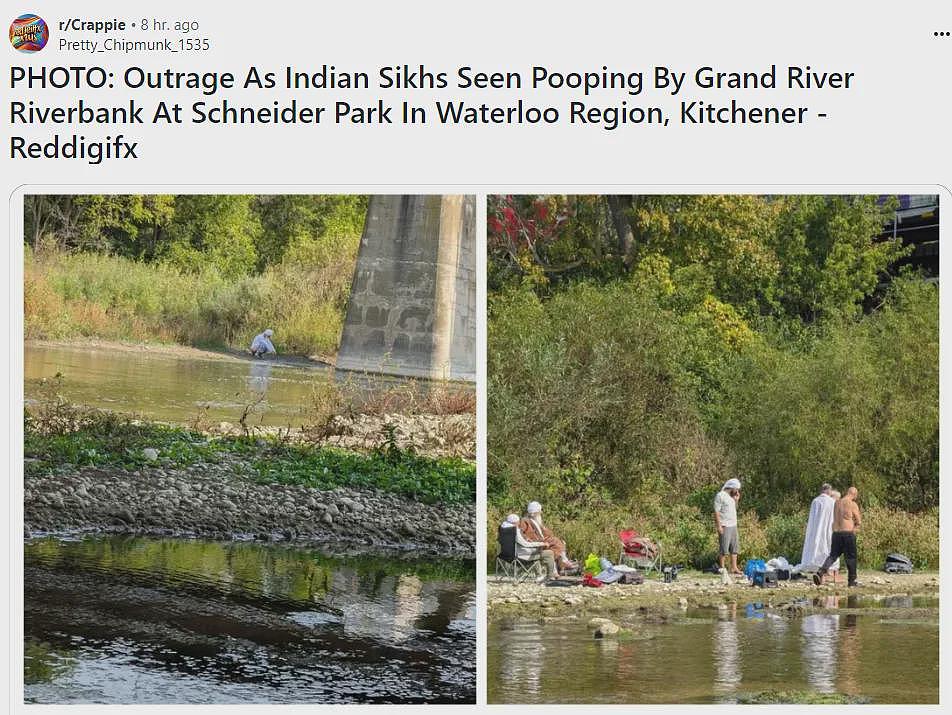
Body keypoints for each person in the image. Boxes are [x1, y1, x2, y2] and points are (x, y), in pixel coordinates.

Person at [814, 486, 862, 587]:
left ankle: (820, 572)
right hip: (848, 533)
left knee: (833, 556)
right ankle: (852, 581)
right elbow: (858, 521)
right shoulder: (852, 504)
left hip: (836, 533)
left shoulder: (837, 503)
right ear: (854, 494)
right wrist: (855, 529)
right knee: (851, 557)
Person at [519, 502, 578, 575]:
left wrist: (544, 529)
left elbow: (549, 534)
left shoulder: (537, 522)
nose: (541, 513)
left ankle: (557, 569)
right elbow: (521, 533)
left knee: (557, 545)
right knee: (555, 541)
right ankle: (563, 563)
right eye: (539, 512)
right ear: (535, 512)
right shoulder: (525, 521)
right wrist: (528, 540)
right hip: (535, 543)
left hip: (543, 542)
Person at [796, 483, 839, 582]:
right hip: (828, 528)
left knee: (816, 546)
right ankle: (827, 571)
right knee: (828, 547)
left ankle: (818, 570)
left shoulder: (815, 501)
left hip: (815, 529)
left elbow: (812, 518)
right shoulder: (832, 502)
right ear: (829, 491)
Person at [505, 513, 556, 582]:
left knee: (536, 552)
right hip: (520, 556)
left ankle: (539, 575)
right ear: (516, 522)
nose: (519, 523)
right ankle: (550, 576)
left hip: (507, 555)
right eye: (518, 522)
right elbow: (525, 544)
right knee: (549, 553)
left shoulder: (503, 529)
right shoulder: (514, 530)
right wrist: (541, 544)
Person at [714, 478, 743, 576]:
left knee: (734, 548)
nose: (737, 492)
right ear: (732, 488)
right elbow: (716, 512)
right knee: (724, 548)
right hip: (724, 525)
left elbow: (734, 509)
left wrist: (736, 500)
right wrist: (719, 526)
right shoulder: (720, 495)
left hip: (733, 524)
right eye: (736, 489)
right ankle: (722, 568)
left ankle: (734, 568)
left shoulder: (732, 497)